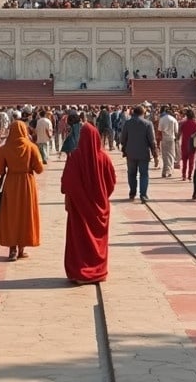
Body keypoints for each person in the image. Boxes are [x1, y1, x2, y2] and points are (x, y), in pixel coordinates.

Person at [60, 122, 116, 284]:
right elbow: (111, 182)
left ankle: (80, 271)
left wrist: (76, 198)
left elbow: (67, 183)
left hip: (79, 208)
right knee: (98, 241)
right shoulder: (104, 158)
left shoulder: (75, 157)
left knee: (79, 239)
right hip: (99, 208)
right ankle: (98, 271)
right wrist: (101, 197)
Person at [0, 119, 44, 261]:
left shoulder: (4, 148)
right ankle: (22, 248)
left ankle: (12, 250)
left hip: (11, 183)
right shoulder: (31, 147)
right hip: (27, 183)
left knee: (11, 216)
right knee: (26, 215)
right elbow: (39, 169)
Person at [120, 105, 158, 203]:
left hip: (131, 153)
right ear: (143, 113)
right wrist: (155, 153)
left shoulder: (128, 123)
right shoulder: (148, 124)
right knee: (144, 174)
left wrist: (125, 147)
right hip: (143, 153)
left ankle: (132, 193)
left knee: (131, 173)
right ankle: (143, 195)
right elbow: (152, 140)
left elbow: (123, 138)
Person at [157, 105, 178, 178]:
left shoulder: (162, 119)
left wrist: (158, 141)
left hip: (164, 138)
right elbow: (176, 131)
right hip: (171, 138)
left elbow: (159, 131)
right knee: (171, 155)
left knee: (165, 156)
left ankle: (165, 171)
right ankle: (169, 171)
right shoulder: (173, 119)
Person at [178, 108, 196, 182]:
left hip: (184, 143)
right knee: (191, 160)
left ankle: (184, 175)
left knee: (184, 160)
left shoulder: (183, 123)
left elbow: (179, 132)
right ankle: (189, 175)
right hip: (192, 144)